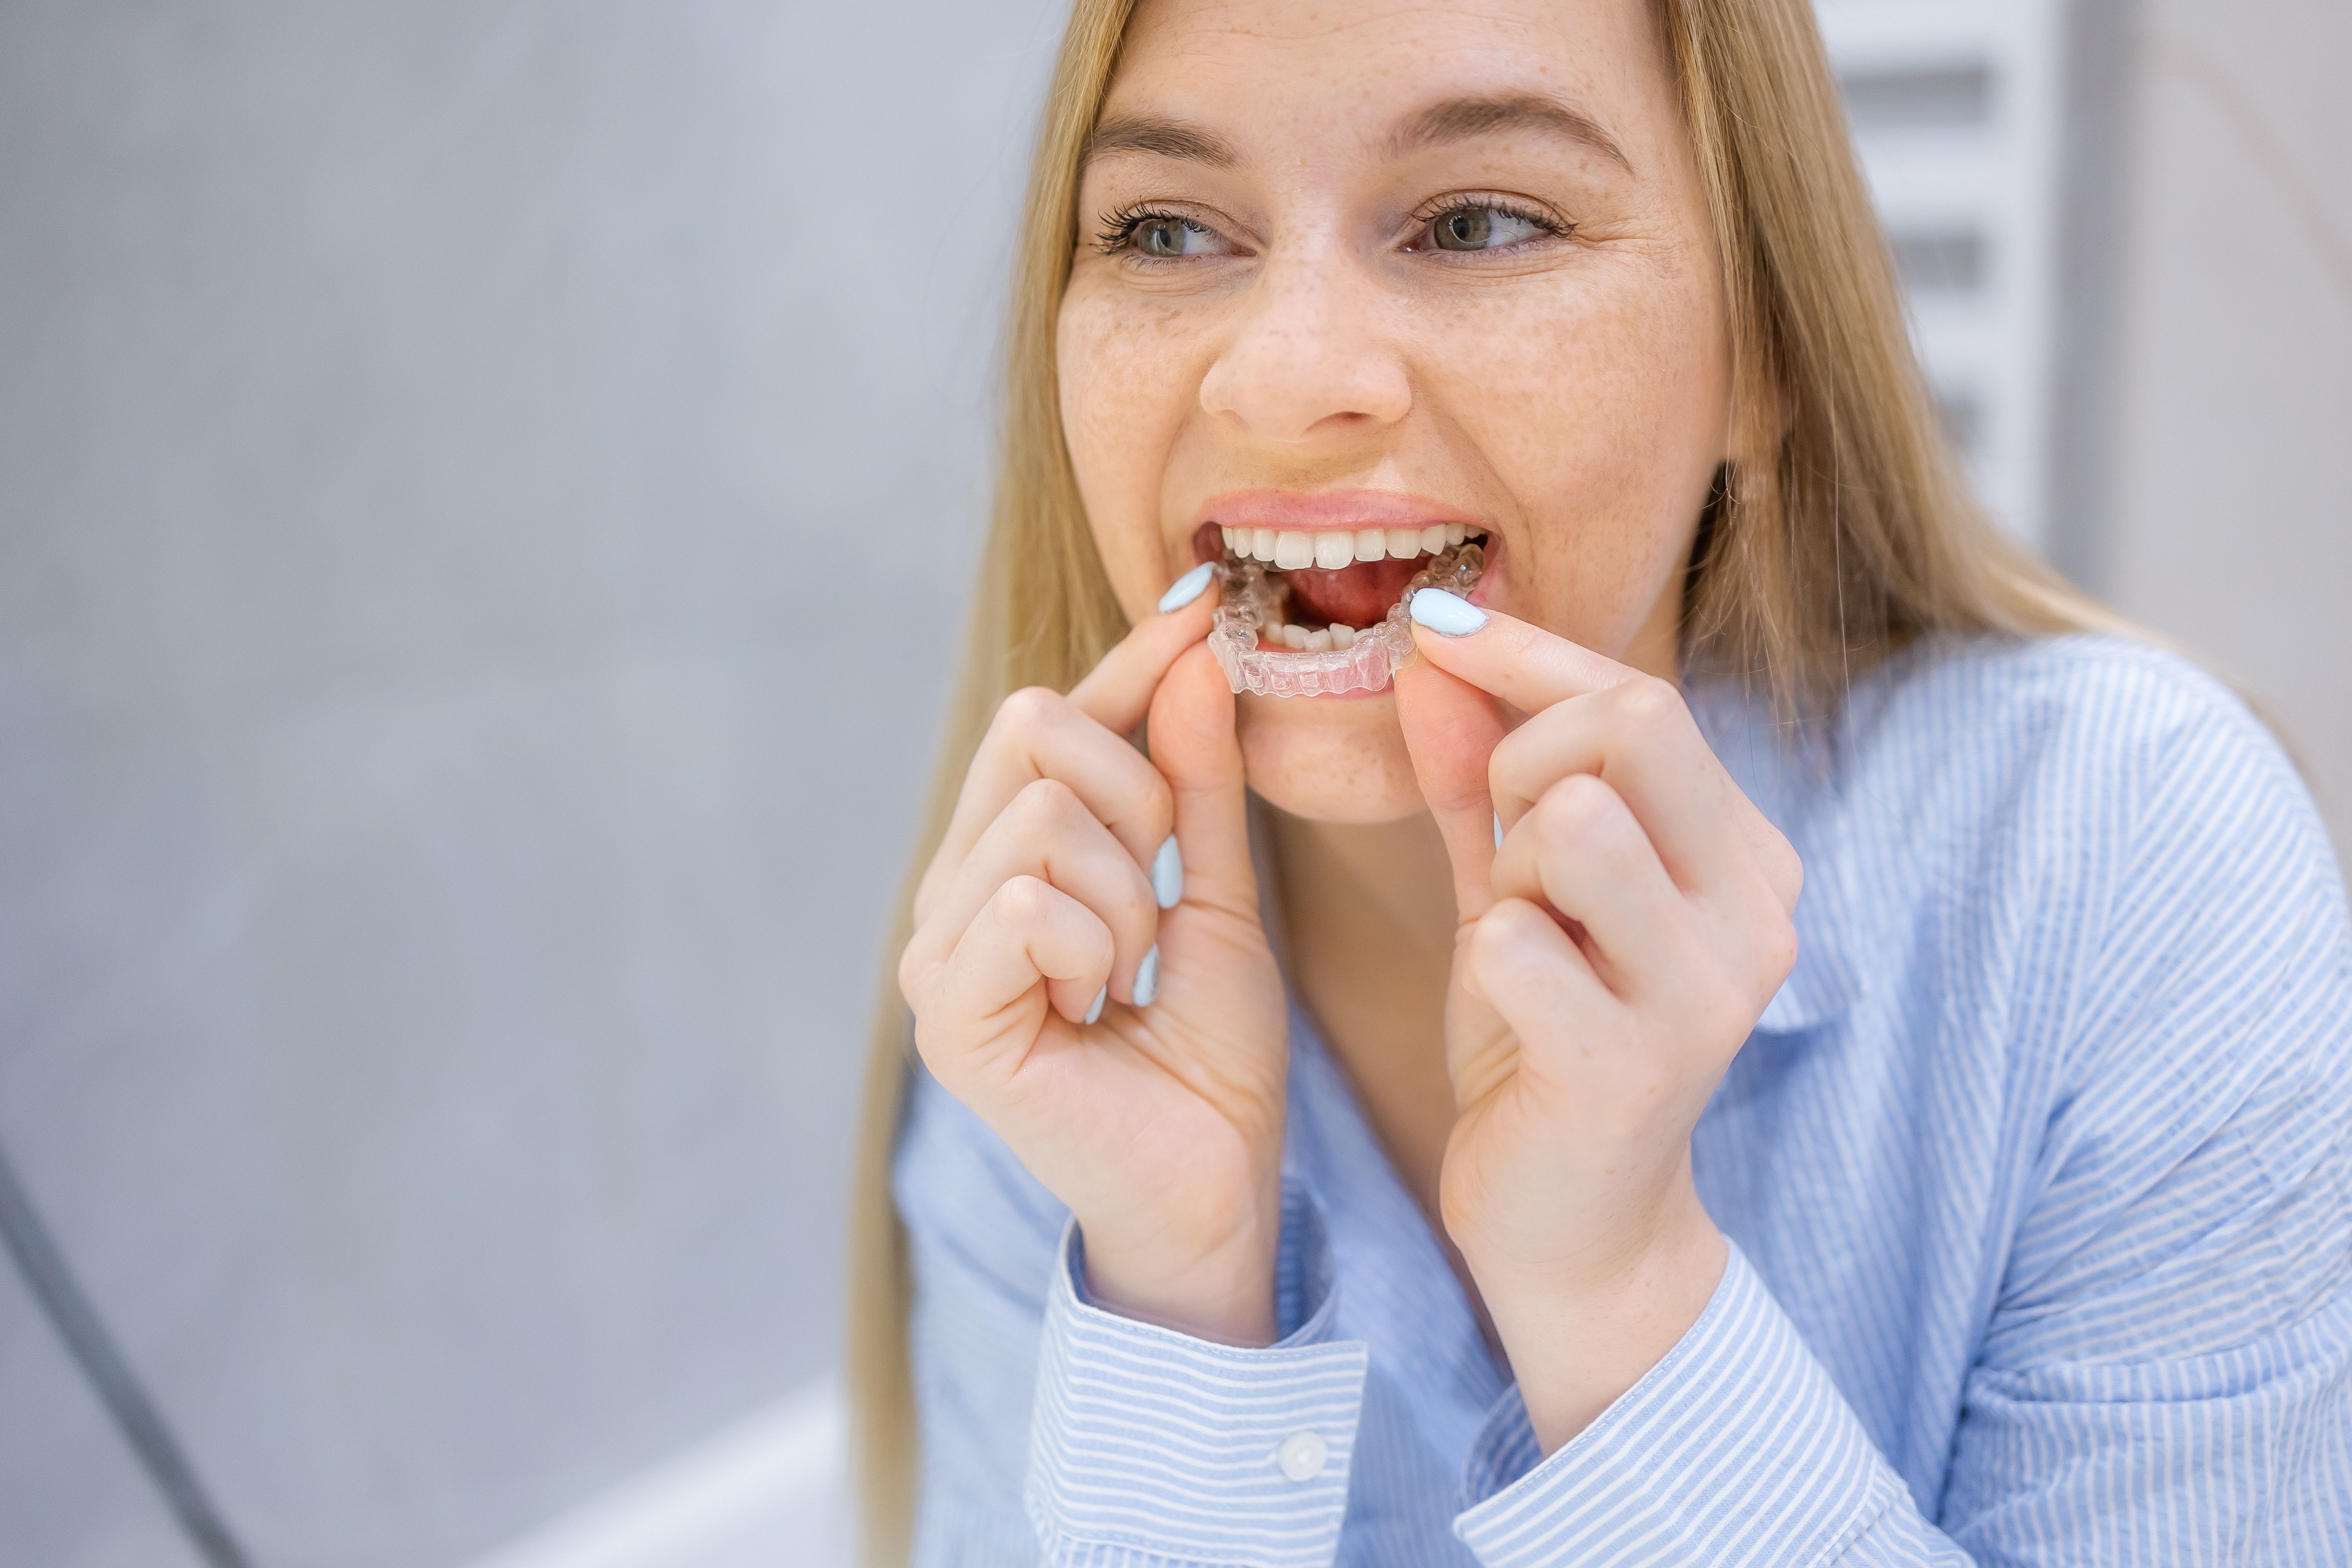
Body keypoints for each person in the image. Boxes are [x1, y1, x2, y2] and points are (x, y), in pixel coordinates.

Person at [845, 0, 2352, 1562]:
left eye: (1481, 221)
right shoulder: (1057, 1009)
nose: (1282, 382)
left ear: (1763, 341)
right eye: (1163, 229)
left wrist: (1620, 1294)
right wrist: (1171, 1299)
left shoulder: (2133, 858)